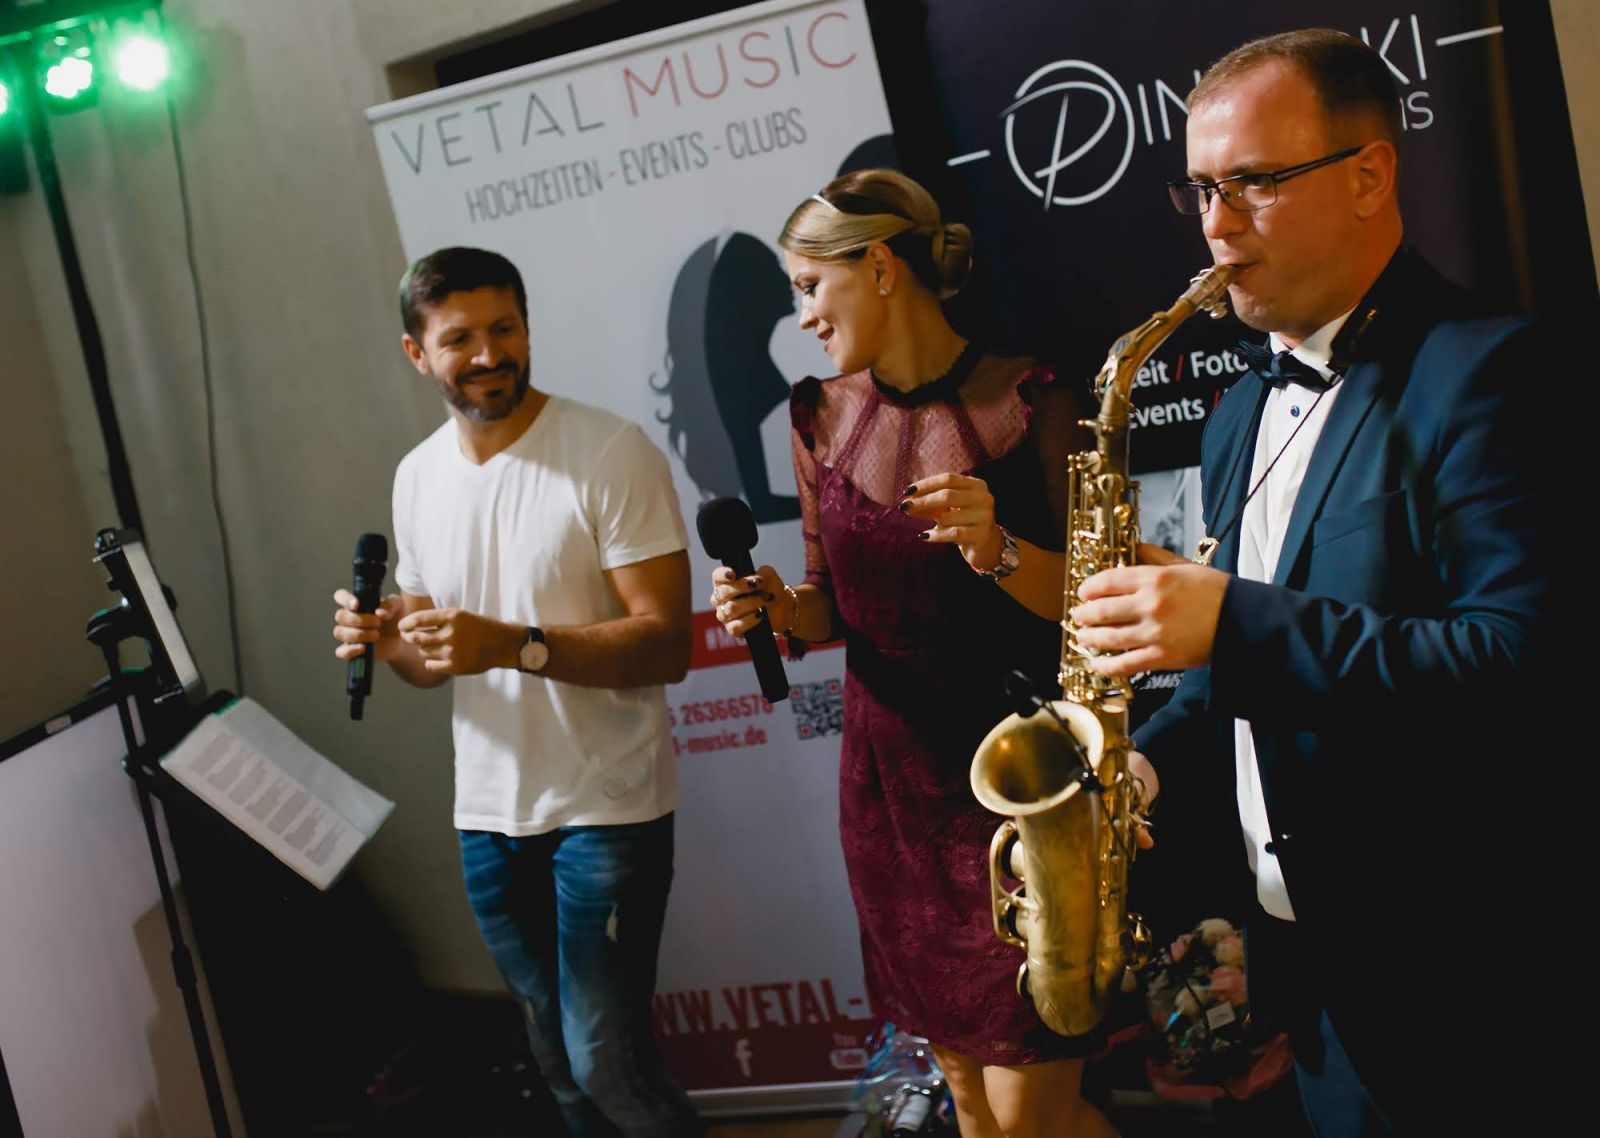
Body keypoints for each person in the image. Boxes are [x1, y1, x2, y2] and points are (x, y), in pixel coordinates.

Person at [1068, 30, 1553, 1136]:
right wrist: (1142, 766)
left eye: (1254, 182)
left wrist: (1232, 619)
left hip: (1478, 985)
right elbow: (1237, 676)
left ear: (1370, 176)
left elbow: (1520, 661)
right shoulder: (1238, 412)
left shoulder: (1492, 372)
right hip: (1320, 990)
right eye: (1201, 191)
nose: (1217, 225)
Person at [709, 169, 1153, 1138]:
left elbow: (1094, 604)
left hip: (1019, 794)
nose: (802, 316)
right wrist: (778, 607)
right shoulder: (816, 416)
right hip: (887, 799)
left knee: (1030, 1117)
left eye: (810, 286)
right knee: (972, 1108)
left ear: (879, 267)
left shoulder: (1032, 398)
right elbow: (830, 608)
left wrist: (996, 548)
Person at [331, 246, 700, 1138]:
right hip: (489, 813)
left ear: (528, 328)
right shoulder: (417, 476)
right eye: (460, 338)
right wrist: (392, 642)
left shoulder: (609, 451)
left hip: (606, 806)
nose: (489, 353)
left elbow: (666, 644)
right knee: (554, 1061)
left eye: (504, 329)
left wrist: (512, 645)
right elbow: (433, 661)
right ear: (418, 353)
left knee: (606, 1062)